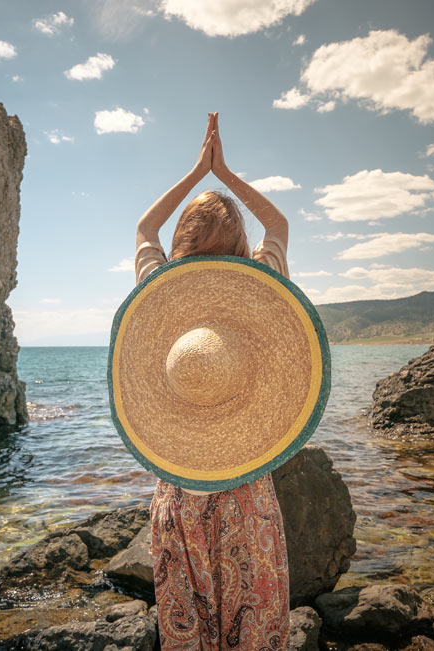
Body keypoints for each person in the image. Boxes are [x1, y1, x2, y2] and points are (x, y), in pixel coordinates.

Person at [135, 113, 290, 650]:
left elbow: (144, 229)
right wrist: (224, 173)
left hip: (178, 490)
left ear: (185, 239)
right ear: (241, 243)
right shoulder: (264, 285)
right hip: (247, 493)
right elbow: (280, 227)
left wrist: (196, 171)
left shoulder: (157, 289)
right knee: (255, 633)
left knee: (188, 635)